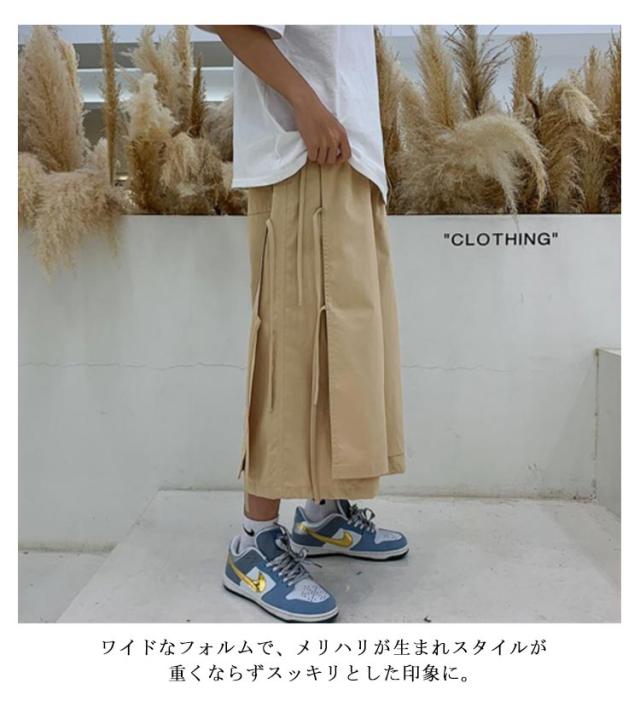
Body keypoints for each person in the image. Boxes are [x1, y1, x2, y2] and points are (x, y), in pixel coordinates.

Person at [196, 24, 408, 622]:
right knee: (291, 350)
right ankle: (253, 542)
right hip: (302, 154)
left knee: (347, 352)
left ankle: (322, 513)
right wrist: (308, 106)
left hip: (347, 161)